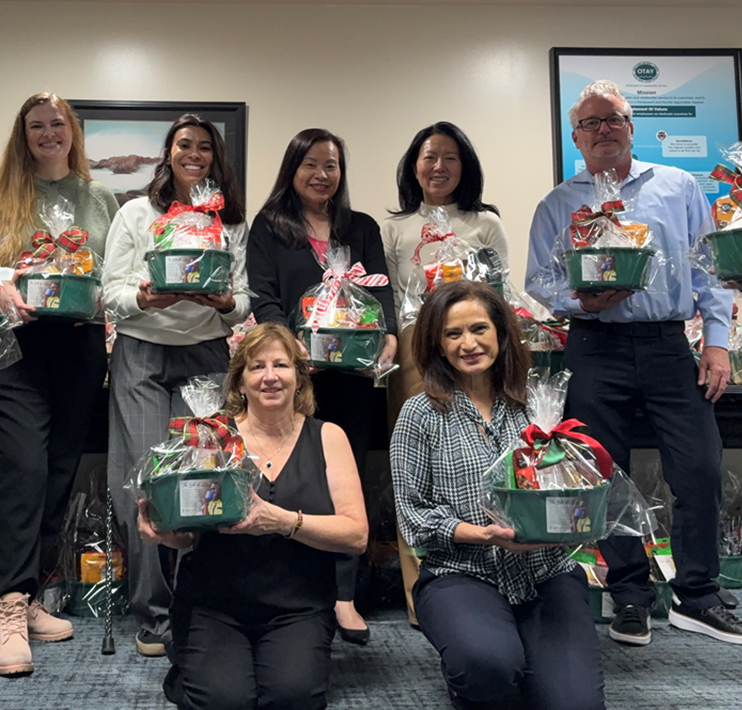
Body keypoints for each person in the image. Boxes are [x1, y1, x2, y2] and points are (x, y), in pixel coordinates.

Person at [525, 79, 742, 647]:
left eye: (613, 119)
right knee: (601, 473)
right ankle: (628, 594)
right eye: (590, 123)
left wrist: (715, 342)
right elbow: (540, 279)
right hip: (593, 344)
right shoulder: (558, 202)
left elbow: (708, 270)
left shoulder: (679, 186)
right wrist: (578, 300)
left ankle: (699, 597)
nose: (603, 129)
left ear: (632, 128)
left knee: (700, 467)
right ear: (576, 137)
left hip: (667, 346)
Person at [0, 92, 119, 676]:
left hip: (75, 344)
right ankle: (8, 608)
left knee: (57, 466)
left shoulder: (99, 196)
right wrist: (4, 286)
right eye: (36, 126)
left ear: (73, 131)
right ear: (22, 135)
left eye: (57, 124)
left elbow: (113, 271)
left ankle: (31, 587)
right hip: (8, 347)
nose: (48, 133)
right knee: (22, 465)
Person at [391, 280, 604, 710]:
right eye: (453, 334)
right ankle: (483, 671)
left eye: (479, 329)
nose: (468, 343)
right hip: (461, 574)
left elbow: (570, 493)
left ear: (501, 334)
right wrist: (483, 534)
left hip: (546, 571)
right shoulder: (419, 415)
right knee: (488, 665)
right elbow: (412, 517)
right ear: (437, 344)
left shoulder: (537, 410)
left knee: (574, 704)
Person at [140, 322, 368, 710]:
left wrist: (281, 521)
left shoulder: (329, 436)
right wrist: (163, 533)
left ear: (300, 377)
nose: (269, 377)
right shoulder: (209, 439)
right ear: (240, 383)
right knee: (225, 701)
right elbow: (187, 534)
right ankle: (194, 661)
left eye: (280, 365)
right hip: (213, 604)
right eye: (256, 367)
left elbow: (356, 536)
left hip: (299, 605)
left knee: (291, 698)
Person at [102, 113, 250, 657]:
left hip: (206, 354)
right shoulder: (138, 213)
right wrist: (145, 297)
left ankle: (198, 602)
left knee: (205, 479)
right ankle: (155, 611)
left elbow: (246, 300)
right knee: (146, 481)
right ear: (168, 153)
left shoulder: (229, 221)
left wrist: (227, 303)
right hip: (141, 353)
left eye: (204, 147)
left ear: (215, 157)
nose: (194, 154)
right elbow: (109, 292)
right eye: (184, 144)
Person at [247, 128, 397, 644]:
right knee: (293, 478)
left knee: (344, 479)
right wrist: (291, 351)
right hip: (290, 376)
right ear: (292, 169)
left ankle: (344, 596)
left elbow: (382, 293)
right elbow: (261, 298)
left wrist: (390, 337)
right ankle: (292, 590)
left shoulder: (362, 227)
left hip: (352, 375)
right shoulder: (270, 227)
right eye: (310, 163)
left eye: (330, 165)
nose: (320, 174)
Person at [381, 121, 509, 628]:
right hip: (415, 352)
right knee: (417, 473)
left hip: (478, 349)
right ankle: (424, 596)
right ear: (414, 165)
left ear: (466, 165)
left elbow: (500, 299)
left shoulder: (485, 223)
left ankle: (496, 578)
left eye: (450, 157)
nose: (439, 167)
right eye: (429, 157)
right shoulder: (395, 228)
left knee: (486, 462)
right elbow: (388, 304)